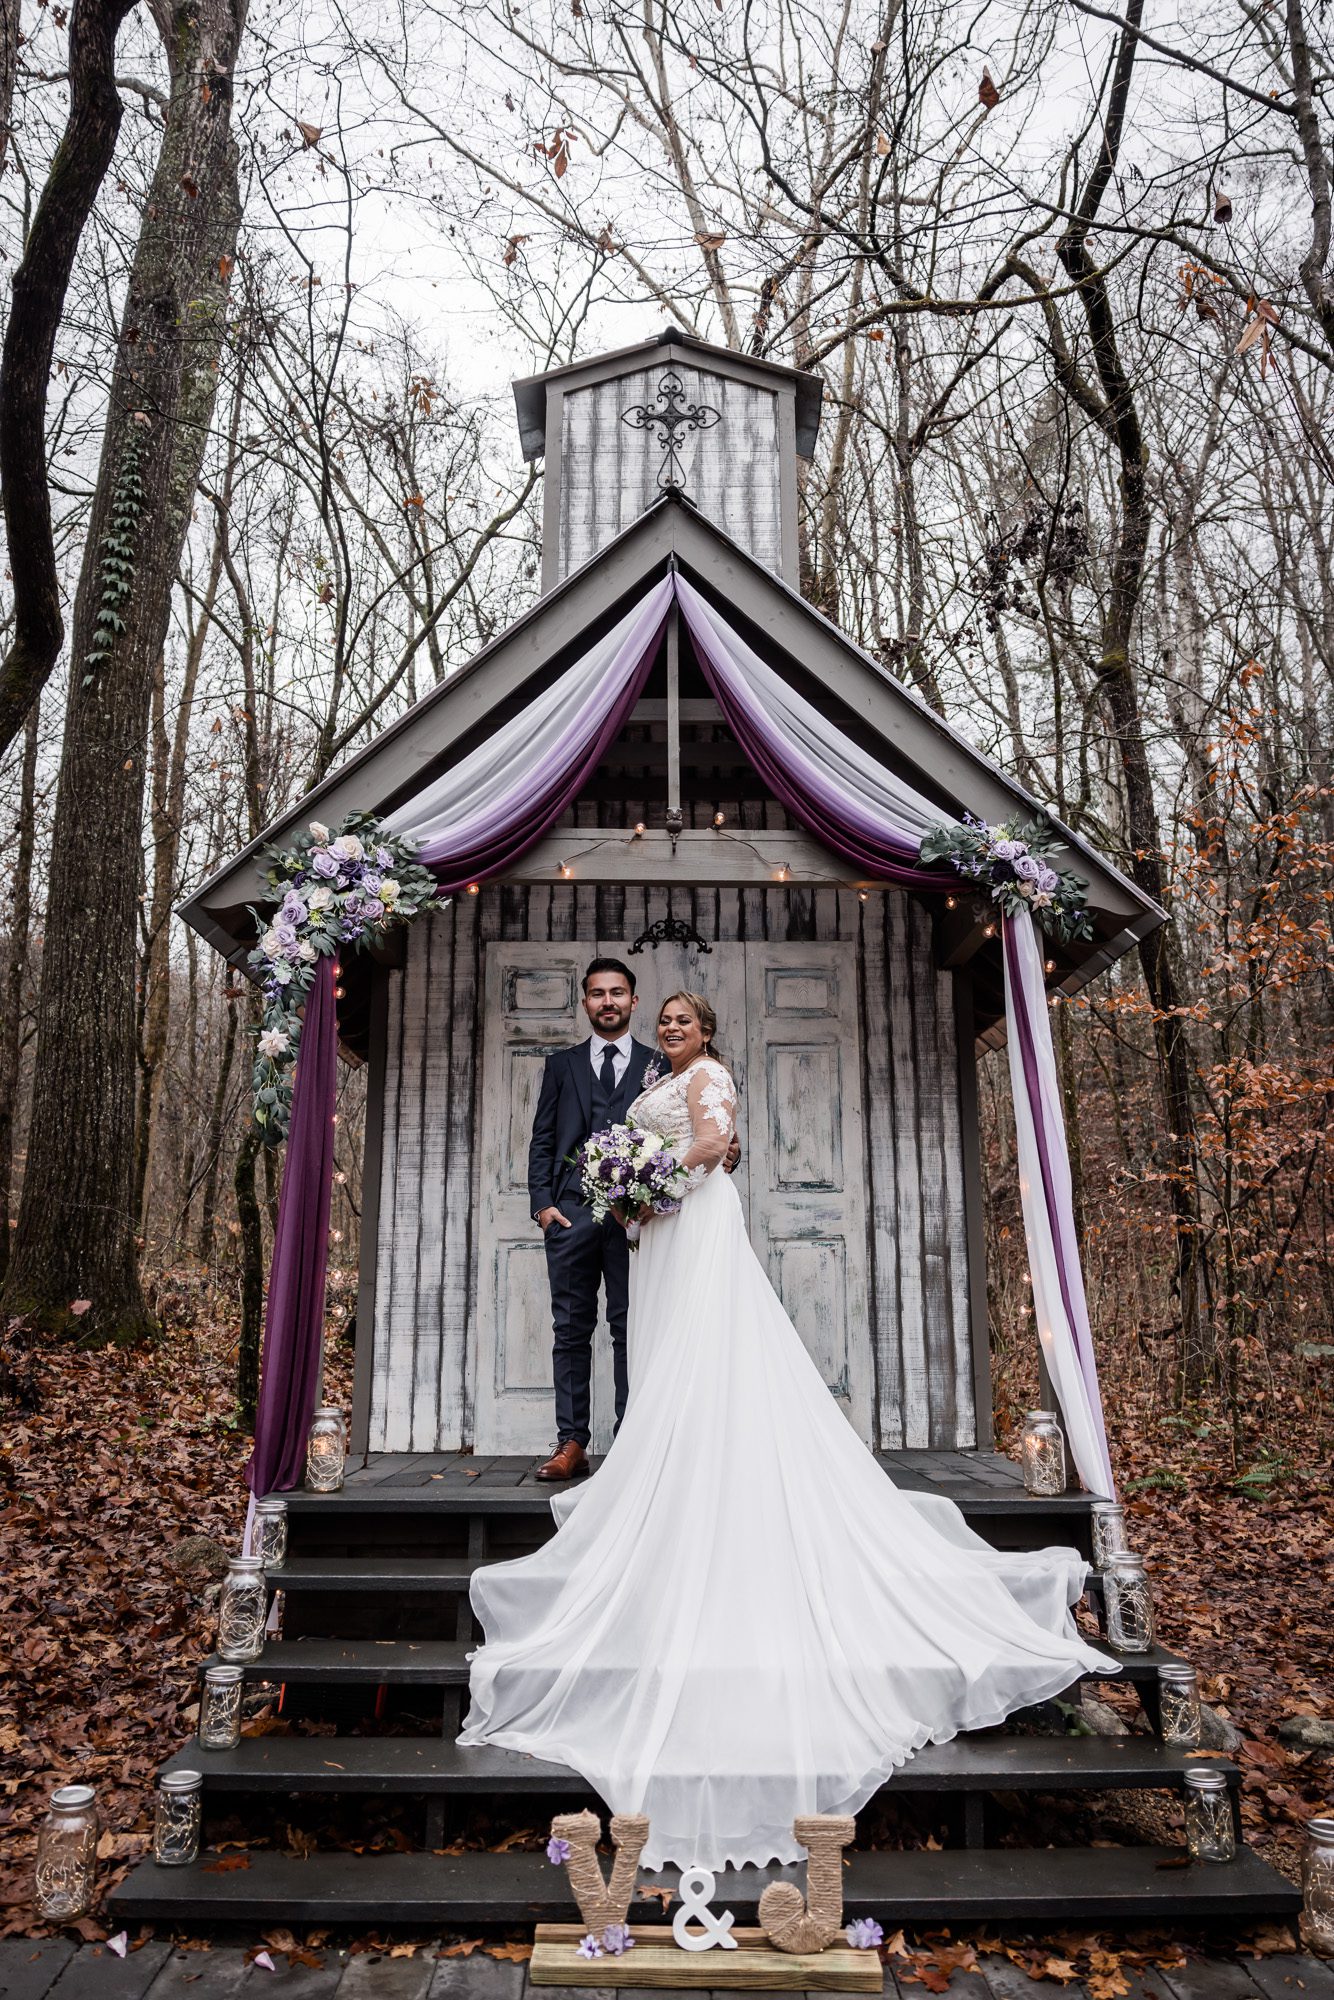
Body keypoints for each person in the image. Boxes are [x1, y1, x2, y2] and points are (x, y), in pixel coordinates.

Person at [465, 989, 1114, 1871]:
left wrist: (644, 1188)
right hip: (662, 1223)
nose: (669, 1029)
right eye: (663, 1021)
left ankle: (712, 1472)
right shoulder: (664, 1074)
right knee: (660, 1355)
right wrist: (630, 1188)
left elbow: (707, 1146)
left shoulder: (711, 1076)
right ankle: (675, 1470)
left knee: (705, 1351)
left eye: (682, 1020)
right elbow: (683, 1142)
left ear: (710, 1029)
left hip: (688, 1224)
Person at [526, 958, 658, 1483]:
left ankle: (631, 1439)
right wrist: (543, 1205)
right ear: (585, 1002)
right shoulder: (562, 1066)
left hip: (636, 1221)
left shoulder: (657, 1064)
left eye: (618, 993)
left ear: (634, 1001)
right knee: (571, 1330)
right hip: (572, 1214)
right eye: (598, 993)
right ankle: (572, 1442)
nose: (608, 1002)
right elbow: (542, 1138)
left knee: (632, 1329)